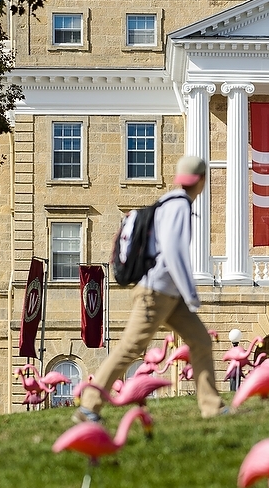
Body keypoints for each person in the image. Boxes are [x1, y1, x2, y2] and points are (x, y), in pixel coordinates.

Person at [75, 155, 224, 422]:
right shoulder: (178, 206)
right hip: (156, 293)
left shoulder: (168, 201)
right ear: (201, 180)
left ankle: (212, 407)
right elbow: (173, 252)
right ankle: (89, 406)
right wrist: (191, 292)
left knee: (201, 341)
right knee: (130, 348)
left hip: (169, 294)